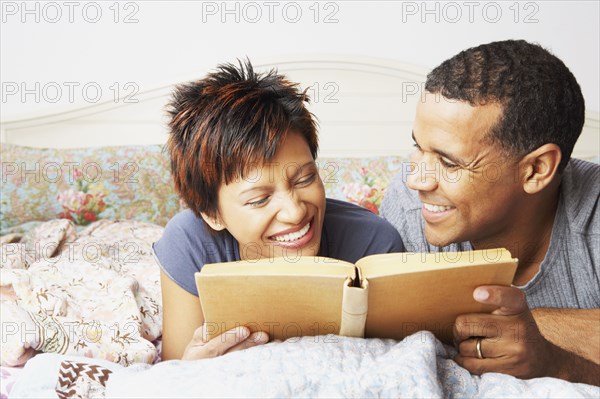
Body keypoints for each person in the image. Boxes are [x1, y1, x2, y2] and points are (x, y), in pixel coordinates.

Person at [381, 39, 599, 386]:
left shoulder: (593, 216)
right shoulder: (408, 209)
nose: (416, 180)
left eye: (449, 163)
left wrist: (556, 363)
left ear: (536, 170)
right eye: (417, 148)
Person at [154, 60, 404, 360]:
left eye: (305, 179)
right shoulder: (190, 243)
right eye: (259, 199)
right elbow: (171, 375)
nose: (295, 212)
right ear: (212, 214)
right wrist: (192, 370)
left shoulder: (374, 244)